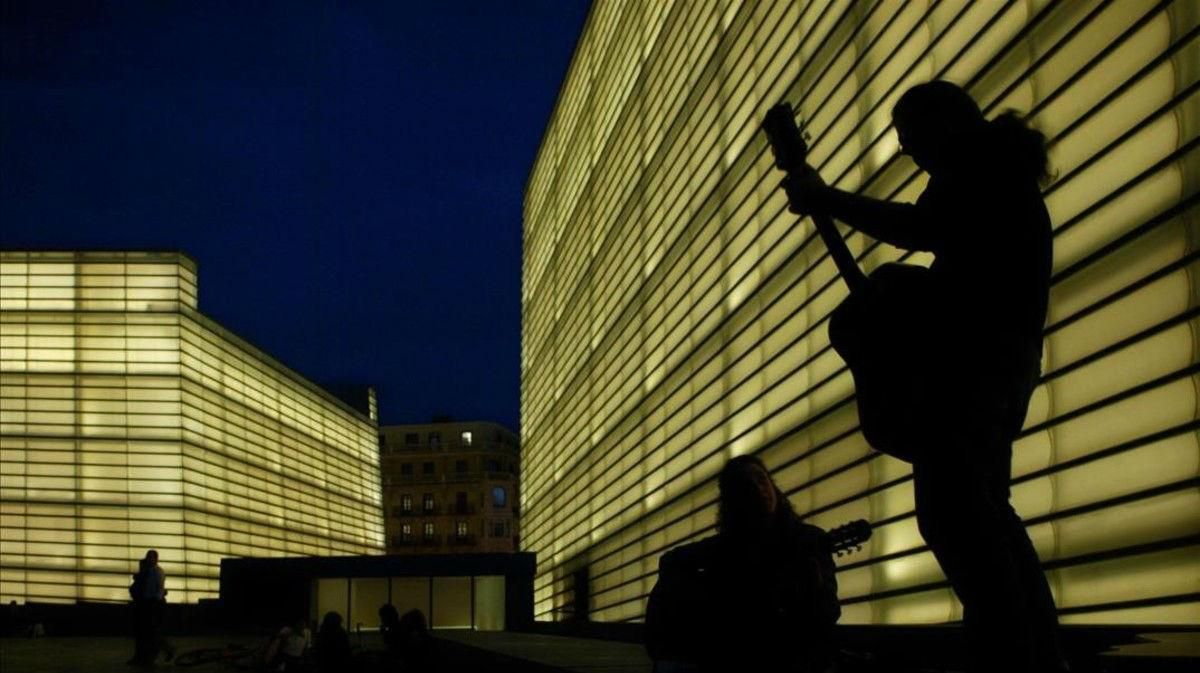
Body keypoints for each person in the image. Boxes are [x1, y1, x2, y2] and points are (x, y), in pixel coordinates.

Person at [781, 80, 1065, 672]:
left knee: (955, 512)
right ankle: (1028, 644)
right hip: (996, 374)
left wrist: (828, 198)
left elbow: (923, 231)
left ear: (946, 124)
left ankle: (1012, 648)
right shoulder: (997, 172)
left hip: (978, 376)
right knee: (984, 508)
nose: (910, 153)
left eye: (911, 139)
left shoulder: (983, 172)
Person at [645, 455, 840, 673]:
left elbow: (828, 614)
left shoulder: (809, 540)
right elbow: (669, 562)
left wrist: (815, 588)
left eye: (761, 479)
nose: (758, 489)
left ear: (773, 486)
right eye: (745, 486)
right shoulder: (725, 547)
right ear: (733, 501)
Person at [128, 549, 174, 666]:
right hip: (147, 604)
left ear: (155, 559)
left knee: (151, 633)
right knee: (148, 633)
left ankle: (153, 656)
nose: (149, 560)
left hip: (153, 605)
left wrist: (156, 601)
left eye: (151, 557)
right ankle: (147, 657)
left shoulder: (158, 572)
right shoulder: (148, 571)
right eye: (148, 557)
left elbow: (159, 589)